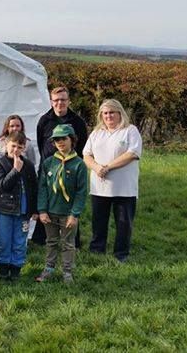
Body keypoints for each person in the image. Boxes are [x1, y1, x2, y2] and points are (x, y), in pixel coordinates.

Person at [83, 99, 142, 263]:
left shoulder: (130, 131)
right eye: (105, 113)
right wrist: (96, 167)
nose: (109, 116)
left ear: (119, 113)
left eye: (112, 112)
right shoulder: (96, 133)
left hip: (124, 188)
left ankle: (121, 254)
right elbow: (86, 154)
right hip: (99, 187)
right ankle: (96, 250)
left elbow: (132, 154)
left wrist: (108, 167)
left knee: (123, 223)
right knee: (98, 221)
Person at [36, 87, 88, 248]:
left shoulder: (77, 122)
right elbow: (40, 144)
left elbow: (82, 146)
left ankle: (73, 241)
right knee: (47, 201)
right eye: (56, 100)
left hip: (70, 169)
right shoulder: (44, 121)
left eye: (63, 100)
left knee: (69, 204)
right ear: (51, 102)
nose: (60, 103)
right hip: (49, 168)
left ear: (68, 101)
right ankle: (41, 239)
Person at [35, 125, 88, 283]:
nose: (60, 142)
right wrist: (42, 210)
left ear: (72, 139)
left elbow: (81, 192)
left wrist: (75, 214)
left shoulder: (79, 164)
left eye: (63, 138)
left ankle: (67, 271)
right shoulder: (49, 163)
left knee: (68, 243)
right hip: (50, 211)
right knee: (51, 241)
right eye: (56, 139)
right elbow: (43, 187)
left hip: (68, 213)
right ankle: (49, 268)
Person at [0, 131, 38, 281]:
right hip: (5, 210)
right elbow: (3, 185)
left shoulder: (29, 165)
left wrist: (35, 210)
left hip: (24, 211)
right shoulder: (0, 164)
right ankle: (3, 270)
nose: (16, 150)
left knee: (20, 241)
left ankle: (16, 270)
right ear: (6, 145)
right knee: (4, 241)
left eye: (20, 147)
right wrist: (15, 170)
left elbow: (34, 188)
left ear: (24, 148)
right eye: (13, 146)